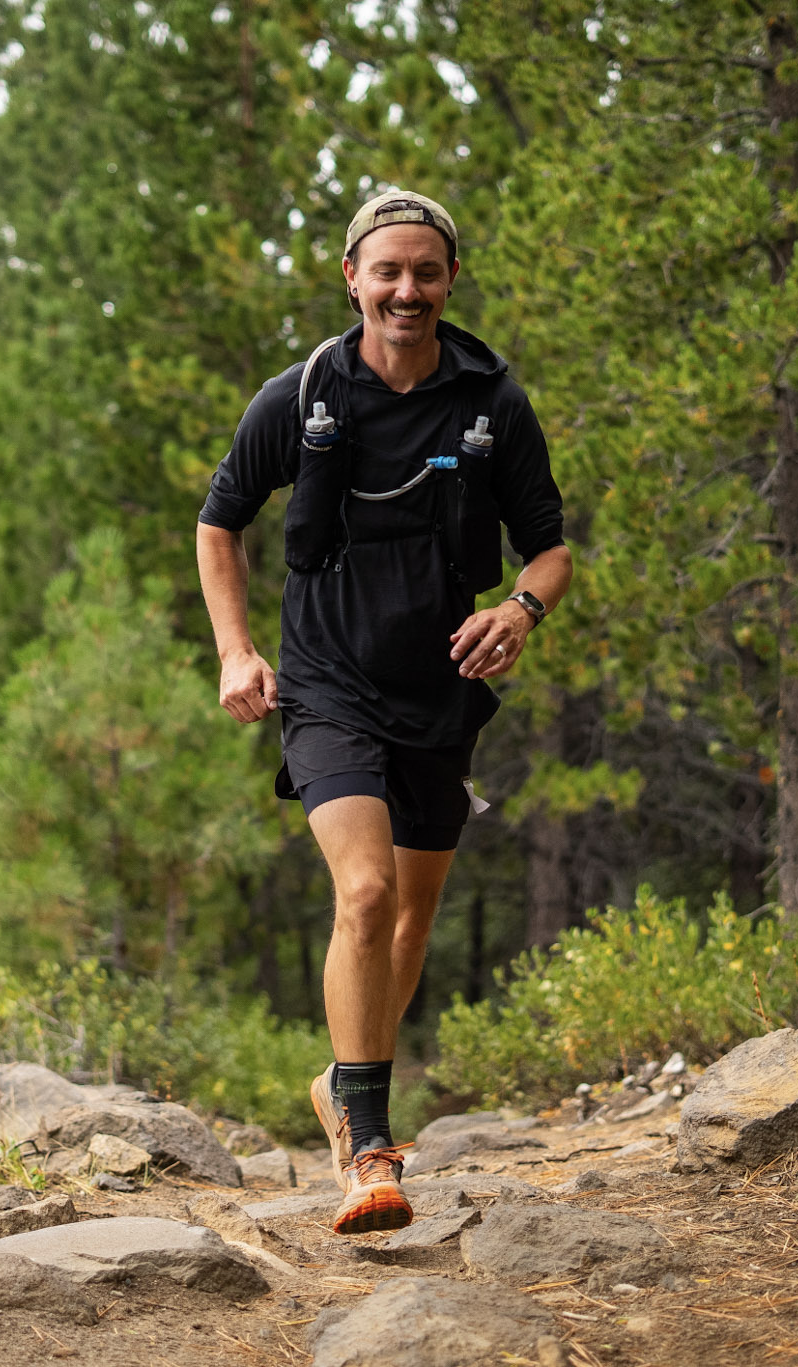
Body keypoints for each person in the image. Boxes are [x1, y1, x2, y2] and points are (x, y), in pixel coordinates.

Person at [195, 190, 572, 1234]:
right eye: (387, 270)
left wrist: (521, 607)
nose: (406, 289)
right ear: (351, 276)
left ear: (450, 280)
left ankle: (338, 1078)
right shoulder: (301, 395)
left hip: (439, 689)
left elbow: (550, 547)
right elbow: (217, 522)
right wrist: (235, 650)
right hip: (324, 682)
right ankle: (366, 1147)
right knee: (361, 892)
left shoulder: (490, 401)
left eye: (426, 271)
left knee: (408, 920)